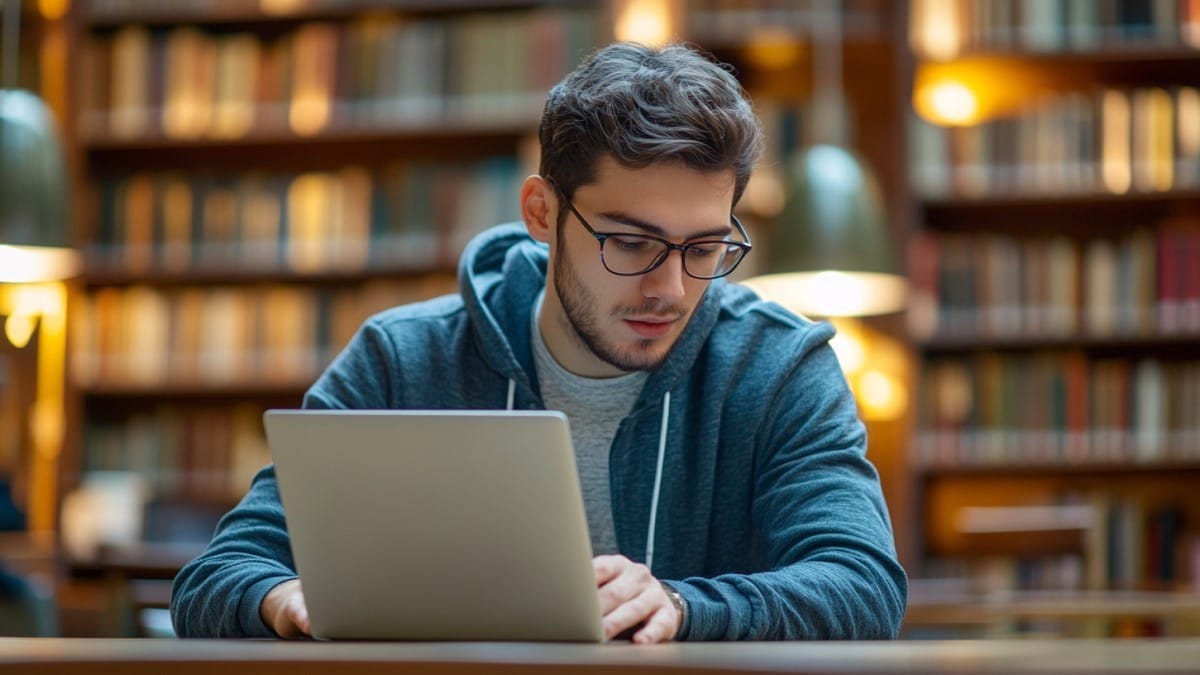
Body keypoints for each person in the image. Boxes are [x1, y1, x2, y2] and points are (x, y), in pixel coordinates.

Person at [170, 41, 907, 643]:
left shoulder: (779, 367)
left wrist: (686, 607)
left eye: (706, 247)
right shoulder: (402, 360)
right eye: (630, 242)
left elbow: (865, 585)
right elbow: (217, 575)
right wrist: (284, 598)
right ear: (542, 212)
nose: (672, 288)